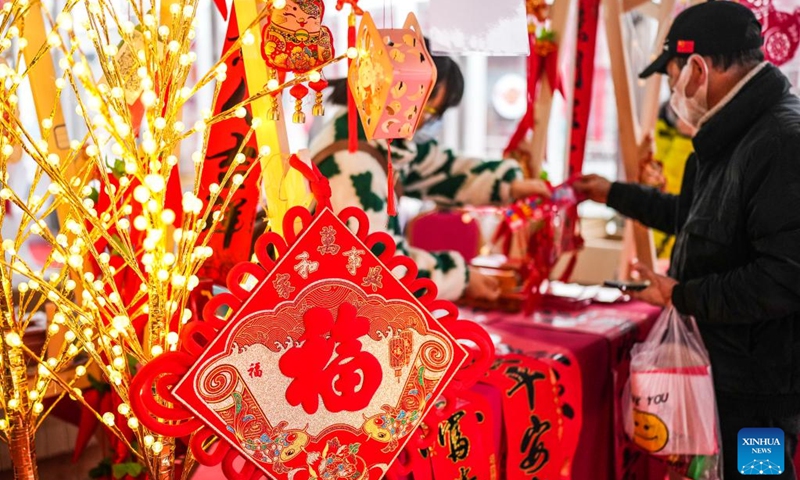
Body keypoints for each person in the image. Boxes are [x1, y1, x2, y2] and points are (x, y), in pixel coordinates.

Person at [574, 2, 800, 477]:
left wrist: (681, 293)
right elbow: (695, 217)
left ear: (697, 68)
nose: (673, 91)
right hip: (715, 378)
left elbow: (783, 279)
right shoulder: (726, 139)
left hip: (759, 400)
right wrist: (611, 192)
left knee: (760, 475)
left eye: (673, 77)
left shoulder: (782, 141)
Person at [309, 45, 550, 302]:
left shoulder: (375, 138)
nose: (426, 121)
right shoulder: (352, 161)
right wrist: (460, 278)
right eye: (430, 110)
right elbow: (378, 268)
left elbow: (442, 169)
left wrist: (510, 184)